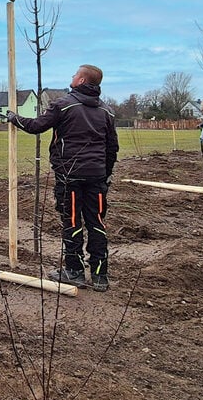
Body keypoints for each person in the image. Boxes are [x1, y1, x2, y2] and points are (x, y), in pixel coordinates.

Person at [7, 64, 119, 292]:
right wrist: (105, 174)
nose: (72, 76)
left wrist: (14, 118)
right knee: (96, 222)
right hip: (97, 177)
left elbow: (37, 126)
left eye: (76, 74)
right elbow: (112, 147)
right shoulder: (106, 111)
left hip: (70, 175)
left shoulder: (64, 105)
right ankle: (100, 276)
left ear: (81, 81)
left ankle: (74, 271)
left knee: (72, 221)